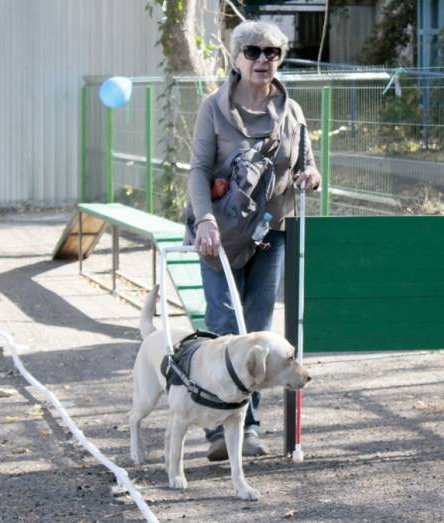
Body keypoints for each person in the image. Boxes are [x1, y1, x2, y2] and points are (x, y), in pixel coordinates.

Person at [185, 20, 321, 461]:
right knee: (225, 327)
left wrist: (310, 176)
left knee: (259, 334)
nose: (263, 60)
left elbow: (308, 164)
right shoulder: (214, 107)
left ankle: (248, 427)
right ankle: (215, 430)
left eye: (272, 53)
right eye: (254, 51)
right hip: (219, 236)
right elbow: (199, 171)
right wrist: (203, 218)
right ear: (237, 57)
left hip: (271, 235)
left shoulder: (292, 111)